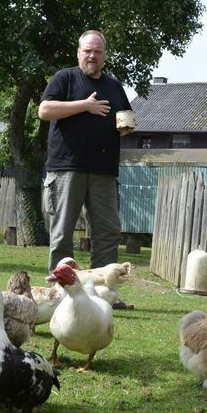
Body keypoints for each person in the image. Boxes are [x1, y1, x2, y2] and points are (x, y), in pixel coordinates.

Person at [38, 30, 133, 274]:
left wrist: (126, 126)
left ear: (105, 56)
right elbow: (45, 110)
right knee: (62, 234)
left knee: (108, 232)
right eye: (87, 51)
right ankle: (60, 292)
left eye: (97, 52)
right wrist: (85, 106)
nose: (92, 56)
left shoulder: (114, 86)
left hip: (104, 171)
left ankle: (102, 294)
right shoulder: (65, 78)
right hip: (66, 168)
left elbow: (126, 117)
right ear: (79, 53)